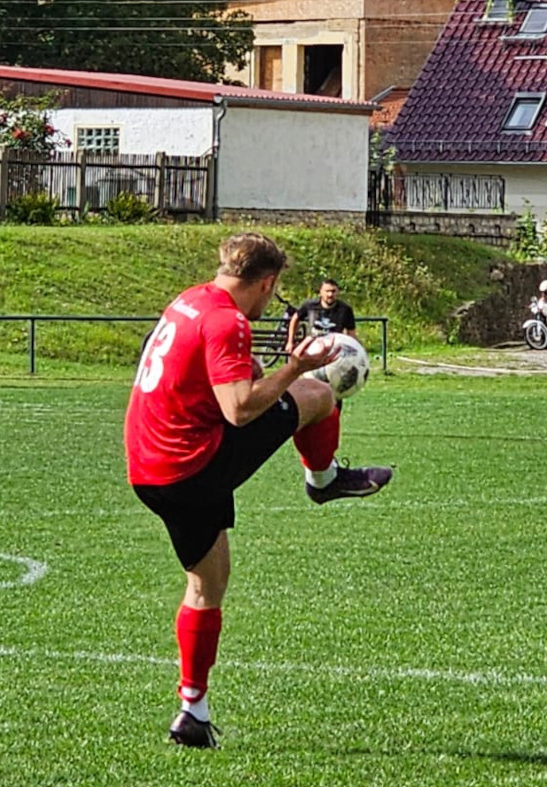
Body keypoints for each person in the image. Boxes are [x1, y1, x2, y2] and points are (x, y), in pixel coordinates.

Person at [124, 232, 393, 748]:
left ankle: (192, 712)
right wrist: (295, 367)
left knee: (208, 584)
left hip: (149, 466)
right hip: (193, 464)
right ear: (267, 283)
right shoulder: (228, 320)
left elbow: (188, 366)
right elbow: (240, 409)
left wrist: (248, 370)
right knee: (317, 394)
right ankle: (324, 479)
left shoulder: (190, 300)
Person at [286, 278, 357, 351]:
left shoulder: (345, 309)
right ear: (321, 292)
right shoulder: (310, 305)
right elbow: (295, 318)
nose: (330, 294)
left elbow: (351, 334)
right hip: (313, 345)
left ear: (337, 292)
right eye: (327, 291)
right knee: (296, 355)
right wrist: (290, 342)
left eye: (333, 291)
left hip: (334, 347)